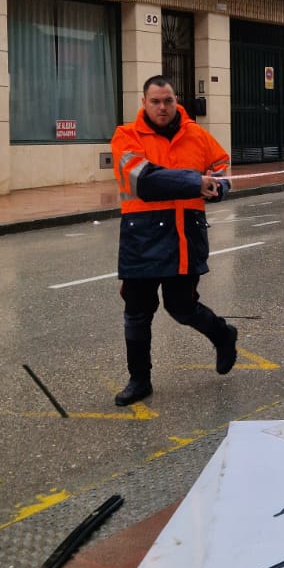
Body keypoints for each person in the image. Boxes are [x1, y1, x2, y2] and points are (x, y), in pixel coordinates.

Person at [110, 75, 238, 406]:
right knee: (137, 312)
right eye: (155, 101)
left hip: (185, 235)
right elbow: (144, 180)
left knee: (182, 307)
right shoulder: (126, 136)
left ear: (175, 99)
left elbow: (222, 166)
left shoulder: (196, 134)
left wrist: (219, 187)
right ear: (144, 103)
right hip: (142, 236)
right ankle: (139, 380)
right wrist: (197, 182)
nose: (162, 108)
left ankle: (223, 335)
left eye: (168, 101)